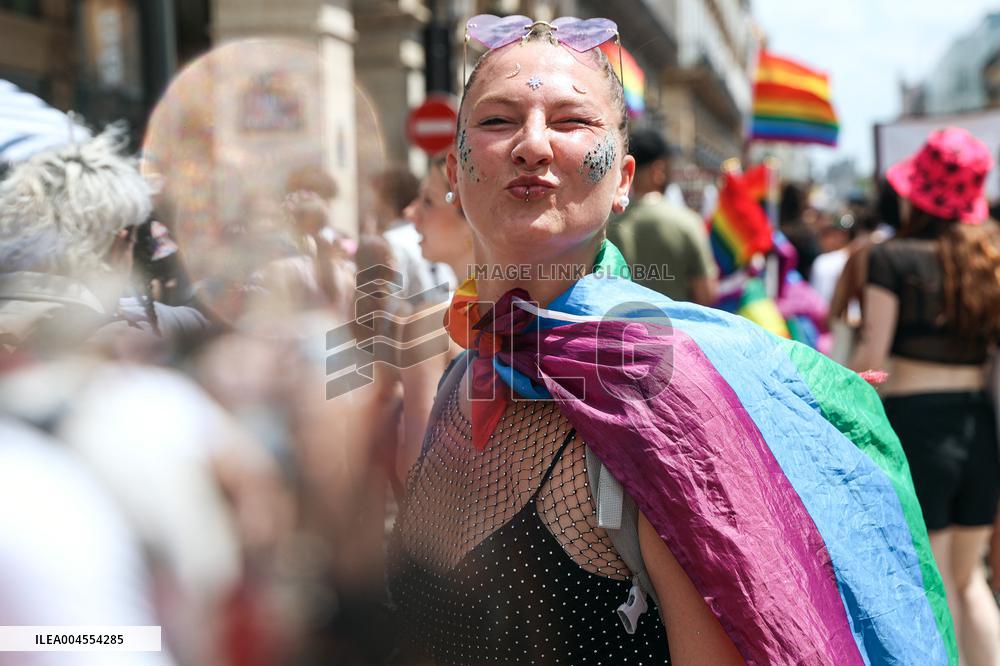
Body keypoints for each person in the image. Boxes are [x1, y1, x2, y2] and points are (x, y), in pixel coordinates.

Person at [388, 15, 953, 666]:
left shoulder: (663, 391)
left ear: (624, 180)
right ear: (454, 171)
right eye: (496, 121)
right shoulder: (466, 375)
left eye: (571, 121)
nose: (532, 145)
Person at [849, 127, 1000, 666]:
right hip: (979, 428)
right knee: (969, 580)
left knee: (931, 581)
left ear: (916, 190)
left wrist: (845, 398)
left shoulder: (892, 258)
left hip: (916, 425)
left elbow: (874, 358)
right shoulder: (990, 257)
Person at [606, 127, 717, 305]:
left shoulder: (607, 224)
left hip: (621, 327)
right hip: (675, 328)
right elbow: (706, 294)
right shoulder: (688, 222)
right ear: (658, 170)